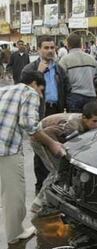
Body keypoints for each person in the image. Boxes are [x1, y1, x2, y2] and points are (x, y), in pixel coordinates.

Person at [0, 71, 65, 245]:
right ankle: (15, 233)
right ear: (35, 84)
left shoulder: (5, 90)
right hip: (7, 150)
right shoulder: (30, 93)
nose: (41, 94)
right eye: (42, 90)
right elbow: (29, 125)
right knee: (15, 195)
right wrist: (52, 143)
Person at [30, 101, 97, 214]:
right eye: (94, 121)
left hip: (57, 137)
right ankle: (39, 204)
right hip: (41, 138)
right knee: (56, 171)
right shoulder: (71, 126)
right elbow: (46, 133)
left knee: (63, 169)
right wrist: (55, 146)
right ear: (84, 118)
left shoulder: (85, 124)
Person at [22, 36, 70, 194]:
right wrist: (39, 73)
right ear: (39, 49)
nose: (50, 51)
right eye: (46, 48)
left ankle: (55, 187)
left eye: (52, 47)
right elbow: (22, 91)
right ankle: (40, 188)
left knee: (56, 148)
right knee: (40, 151)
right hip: (39, 113)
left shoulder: (59, 68)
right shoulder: (30, 69)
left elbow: (67, 90)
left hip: (55, 111)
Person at [59, 33, 97, 112]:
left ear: (68, 45)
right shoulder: (92, 59)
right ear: (81, 44)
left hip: (74, 97)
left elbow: (61, 81)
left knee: (75, 123)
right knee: (89, 123)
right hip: (91, 96)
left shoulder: (64, 60)